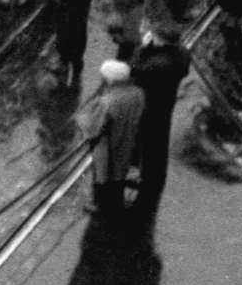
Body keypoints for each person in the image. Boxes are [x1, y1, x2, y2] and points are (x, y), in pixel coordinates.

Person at [125, 22, 190, 219]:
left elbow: (135, 69)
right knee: (158, 143)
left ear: (161, 40)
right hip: (164, 106)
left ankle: (143, 180)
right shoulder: (182, 53)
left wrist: (143, 49)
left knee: (144, 141)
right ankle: (153, 177)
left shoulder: (157, 64)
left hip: (147, 108)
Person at [81, 58, 143, 215]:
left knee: (102, 173)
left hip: (108, 144)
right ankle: (117, 200)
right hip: (128, 139)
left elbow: (93, 127)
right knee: (121, 171)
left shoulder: (107, 101)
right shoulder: (137, 93)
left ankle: (100, 205)